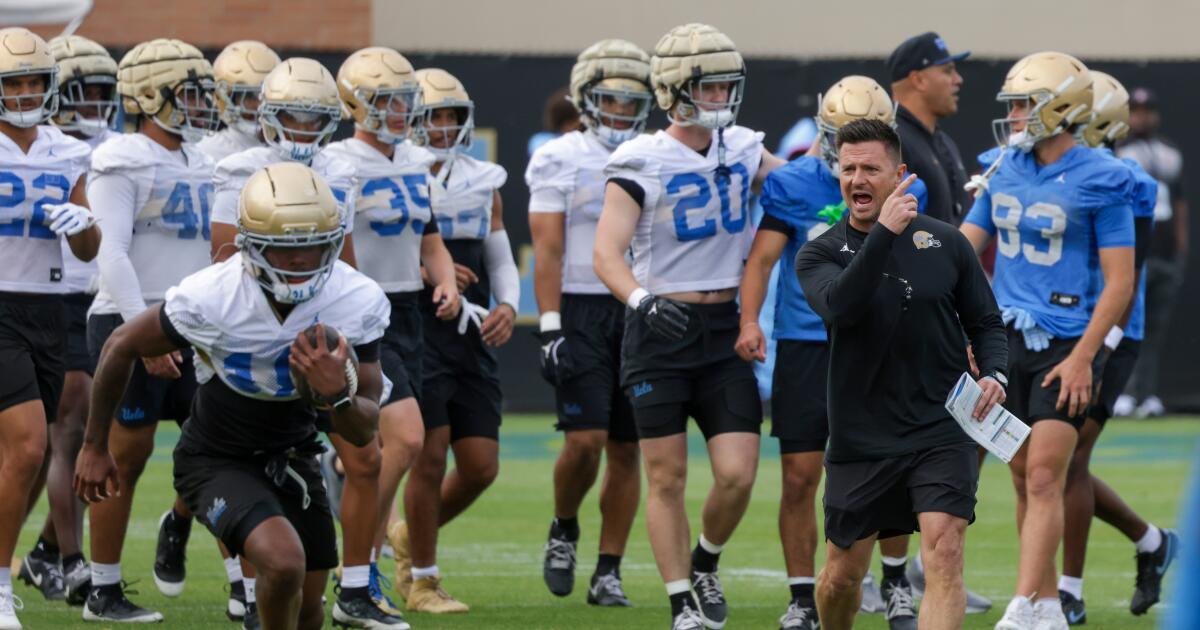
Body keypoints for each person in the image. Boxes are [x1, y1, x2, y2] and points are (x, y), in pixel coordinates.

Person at [74, 162, 392, 630]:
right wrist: (95, 444)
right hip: (215, 457)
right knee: (283, 563)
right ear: (252, 246)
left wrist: (336, 397)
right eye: (285, 249)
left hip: (296, 454)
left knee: (308, 611)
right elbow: (121, 345)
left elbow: (365, 431)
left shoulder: (355, 298)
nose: (301, 261)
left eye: (312, 246)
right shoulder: (214, 294)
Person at [594, 23, 785, 630]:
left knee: (737, 473)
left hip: (724, 326)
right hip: (660, 328)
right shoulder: (640, 158)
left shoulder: (745, 146)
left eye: (730, 83)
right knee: (667, 476)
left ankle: (705, 559)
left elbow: (797, 189)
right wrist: (642, 301)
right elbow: (606, 253)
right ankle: (682, 605)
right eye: (712, 85)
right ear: (677, 89)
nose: (724, 95)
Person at [737, 76, 934, 630]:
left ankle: (895, 582)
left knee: (894, 467)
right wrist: (750, 320)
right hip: (808, 342)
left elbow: (926, 261)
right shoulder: (795, 184)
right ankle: (803, 596)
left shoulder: (904, 183)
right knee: (800, 474)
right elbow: (761, 260)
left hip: (881, 342)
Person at [794, 117, 1006, 630]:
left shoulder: (948, 243)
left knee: (945, 553)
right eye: (848, 169)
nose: (857, 180)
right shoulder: (819, 252)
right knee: (842, 577)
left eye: (871, 168)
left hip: (940, 429)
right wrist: (884, 234)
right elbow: (843, 308)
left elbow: (986, 322)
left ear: (900, 175)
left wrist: (995, 372)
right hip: (861, 436)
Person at [958, 52, 1136, 630]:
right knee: (1019, 474)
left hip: (1067, 340)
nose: (1012, 115)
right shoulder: (1002, 166)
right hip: (1007, 339)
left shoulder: (1102, 177)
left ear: (1059, 108)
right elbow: (965, 248)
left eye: (1022, 104)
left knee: (1043, 475)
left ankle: (1021, 603)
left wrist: (1087, 355)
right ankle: (1049, 606)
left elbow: (1121, 280)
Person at [79, 37, 217, 623]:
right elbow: (110, 255)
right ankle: (102, 590)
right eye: (188, 93)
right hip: (129, 318)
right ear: (146, 96)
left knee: (220, 446)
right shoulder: (121, 157)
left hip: (193, 322)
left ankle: (240, 579)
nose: (199, 104)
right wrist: (144, 333)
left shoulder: (200, 157)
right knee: (124, 457)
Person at [324, 45, 461, 621]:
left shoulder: (411, 161)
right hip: (362, 307)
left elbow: (429, 239)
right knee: (404, 439)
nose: (401, 112)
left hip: (409, 311)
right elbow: (339, 247)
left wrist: (448, 281)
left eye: (405, 101)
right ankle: (358, 564)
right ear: (356, 102)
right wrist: (355, 307)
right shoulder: (338, 162)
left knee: (387, 447)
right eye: (386, 101)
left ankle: (358, 564)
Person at [528, 38, 651, 607]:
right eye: (611, 100)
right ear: (585, 98)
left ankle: (608, 569)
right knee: (585, 442)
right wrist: (550, 324)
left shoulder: (655, 151)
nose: (623, 111)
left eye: (632, 101)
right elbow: (548, 250)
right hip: (580, 306)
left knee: (628, 448)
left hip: (637, 306)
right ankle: (564, 526)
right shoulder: (559, 155)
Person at [391, 67, 517, 614]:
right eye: (432, 116)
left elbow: (500, 254)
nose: (442, 127)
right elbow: (381, 245)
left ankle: (406, 536)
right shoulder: (394, 172)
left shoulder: (482, 178)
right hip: (420, 324)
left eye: (451, 116)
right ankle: (422, 578)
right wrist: (428, 271)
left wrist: (509, 303)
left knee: (482, 465)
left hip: (470, 331)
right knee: (430, 454)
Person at [1058, 71, 1179, 625]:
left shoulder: (1127, 179)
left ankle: (1068, 588)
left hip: (1108, 332)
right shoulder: (1054, 169)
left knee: (1069, 461)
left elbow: (1123, 280)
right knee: (1045, 462)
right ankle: (1150, 540)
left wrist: (1100, 346)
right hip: (1056, 328)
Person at [13, 33, 119, 608]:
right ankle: (61, 562)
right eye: (15, 83)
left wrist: (84, 227)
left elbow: (96, 243)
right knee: (44, 439)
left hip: (76, 300)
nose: (26, 93)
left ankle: (43, 555)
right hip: (22, 303)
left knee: (52, 444)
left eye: (35, 82)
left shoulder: (86, 149)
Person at [1116, 87, 1189, 418]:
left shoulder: (1170, 152)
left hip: (1164, 252)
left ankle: (1147, 392)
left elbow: (1179, 201)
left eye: (1147, 110)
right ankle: (1125, 391)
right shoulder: (1119, 152)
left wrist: (1181, 245)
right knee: (1127, 323)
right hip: (1133, 253)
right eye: (1136, 110)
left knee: (1155, 329)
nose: (1142, 117)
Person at [887, 31, 972, 225]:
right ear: (918, 80)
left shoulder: (944, 142)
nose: (958, 80)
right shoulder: (890, 140)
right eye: (947, 71)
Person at [195, 40, 280, 164]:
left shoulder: (286, 150)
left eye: (266, 98)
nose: (259, 106)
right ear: (223, 97)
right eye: (249, 97)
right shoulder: (205, 151)